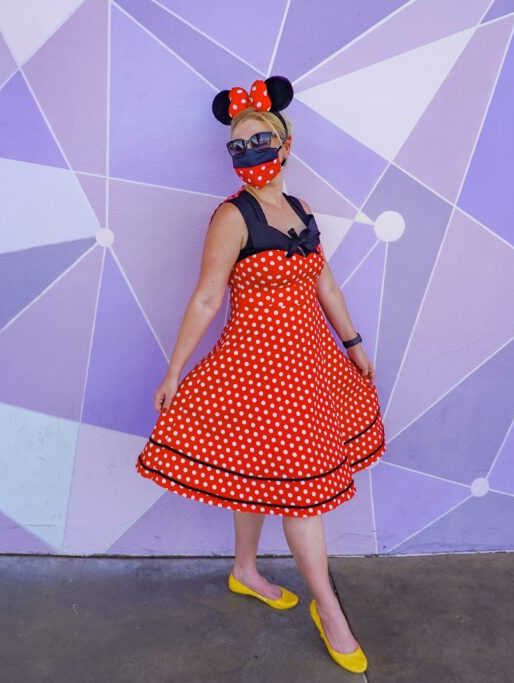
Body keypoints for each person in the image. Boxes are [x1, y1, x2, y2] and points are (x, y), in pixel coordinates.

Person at [134, 76, 386, 674]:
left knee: (262, 476)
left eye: (259, 141)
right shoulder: (231, 217)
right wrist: (175, 370)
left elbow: (322, 281)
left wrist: (351, 342)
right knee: (300, 499)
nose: (248, 153)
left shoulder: (300, 212)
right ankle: (329, 609)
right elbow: (205, 299)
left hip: (310, 369)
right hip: (256, 372)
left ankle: (245, 571)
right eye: (237, 146)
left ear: (284, 143)